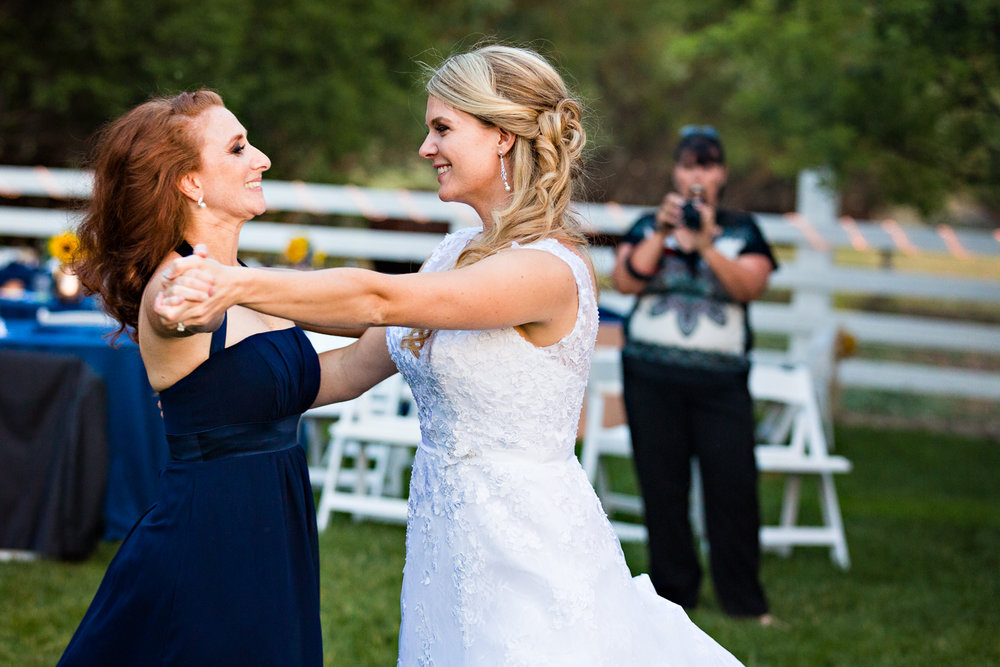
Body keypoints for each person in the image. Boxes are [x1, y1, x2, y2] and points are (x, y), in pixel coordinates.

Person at [156, 46, 743, 665]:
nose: (425, 147)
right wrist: (213, 395)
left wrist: (233, 280)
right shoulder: (457, 250)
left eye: (443, 129)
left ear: (502, 137)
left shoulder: (547, 269)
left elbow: (379, 299)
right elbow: (353, 368)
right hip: (446, 540)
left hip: (527, 545)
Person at [58, 90, 323, 665]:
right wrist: (178, 314)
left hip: (273, 519)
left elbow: (335, 373)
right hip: (213, 532)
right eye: (238, 148)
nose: (262, 159)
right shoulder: (178, 282)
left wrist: (432, 304)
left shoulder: (242, 279)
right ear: (190, 183)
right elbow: (176, 315)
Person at [610, 126, 778, 622]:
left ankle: (744, 601)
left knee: (733, 487)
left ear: (721, 173)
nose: (695, 174)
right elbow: (625, 281)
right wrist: (662, 233)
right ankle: (673, 595)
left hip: (720, 383)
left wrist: (706, 245)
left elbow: (749, 288)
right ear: (675, 172)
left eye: (705, 164)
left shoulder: (742, 231)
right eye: (687, 164)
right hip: (650, 376)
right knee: (662, 487)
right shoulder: (647, 225)